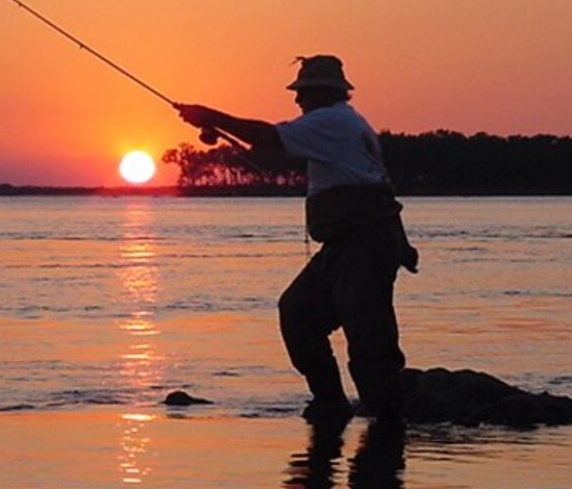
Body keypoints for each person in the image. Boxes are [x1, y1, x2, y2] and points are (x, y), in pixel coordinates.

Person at [174, 54, 417, 425]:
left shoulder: (332, 120)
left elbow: (268, 135)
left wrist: (211, 116)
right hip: (348, 244)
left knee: (369, 336)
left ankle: (386, 420)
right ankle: (333, 404)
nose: (297, 100)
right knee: (298, 312)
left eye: (303, 92)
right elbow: (281, 151)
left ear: (323, 92)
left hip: (363, 243)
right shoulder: (343, 124)